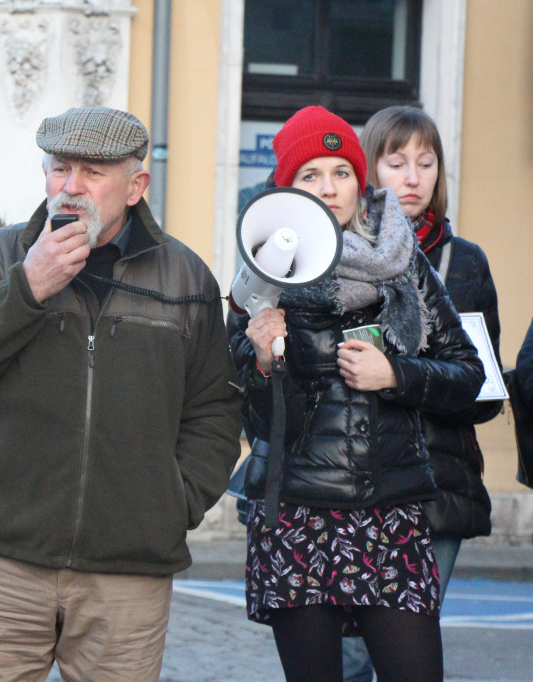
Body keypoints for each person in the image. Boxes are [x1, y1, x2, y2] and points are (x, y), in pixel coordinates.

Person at [0, 106, 244, 681]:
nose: (71, 187)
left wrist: (173, 502)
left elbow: (214, 408)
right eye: (60, 168)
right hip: (3, 561)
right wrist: (26, 289)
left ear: (135, 186)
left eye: (92, 172)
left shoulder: (187, 279)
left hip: (128, 573)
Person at [228, 105, 485, 682]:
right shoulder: (263, 268)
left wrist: (396, 375)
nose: (328, 188)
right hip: (296, 512)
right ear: (287, 188)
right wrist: (265, 360)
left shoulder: (404, 261)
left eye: (340, 172)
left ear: (359, 180)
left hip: (390, 510)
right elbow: (247, 410)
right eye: (310, 175)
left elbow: (467, 374)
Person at [334, 105, 505, 681]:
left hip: (437, 485)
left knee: (407, 651)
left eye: (426, 163)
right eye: (397, 161)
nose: (413, 177)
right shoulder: (333, 256)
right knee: (350, 657)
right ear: (368, 169)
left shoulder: (464, 262)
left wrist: (406, 374)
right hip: (355, 483)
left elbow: (482, 392)